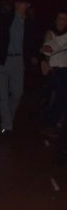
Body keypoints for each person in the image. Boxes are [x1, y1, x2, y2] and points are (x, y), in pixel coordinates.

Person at [0, 0, 37, 136]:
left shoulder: (29, 22)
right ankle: (7, 125)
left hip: (18, 60)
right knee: (3, 95)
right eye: (17, 2)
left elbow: (32, 42)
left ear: (27, 5)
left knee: (17, 93)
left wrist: (33, 56)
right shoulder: (6, 17)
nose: (18, 5)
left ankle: (7, 120)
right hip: (1, 60)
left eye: (22, 2)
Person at [41, 9, 67, 144]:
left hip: (64, 69)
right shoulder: (50, 33)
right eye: (60, 18)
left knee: (61, 97)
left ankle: (54, 122)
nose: (62, 21)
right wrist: (46, 62)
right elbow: (46, 51)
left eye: (65, 19)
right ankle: (49, 123)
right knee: (59, 95)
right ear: (56, 19)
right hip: (53, 69)